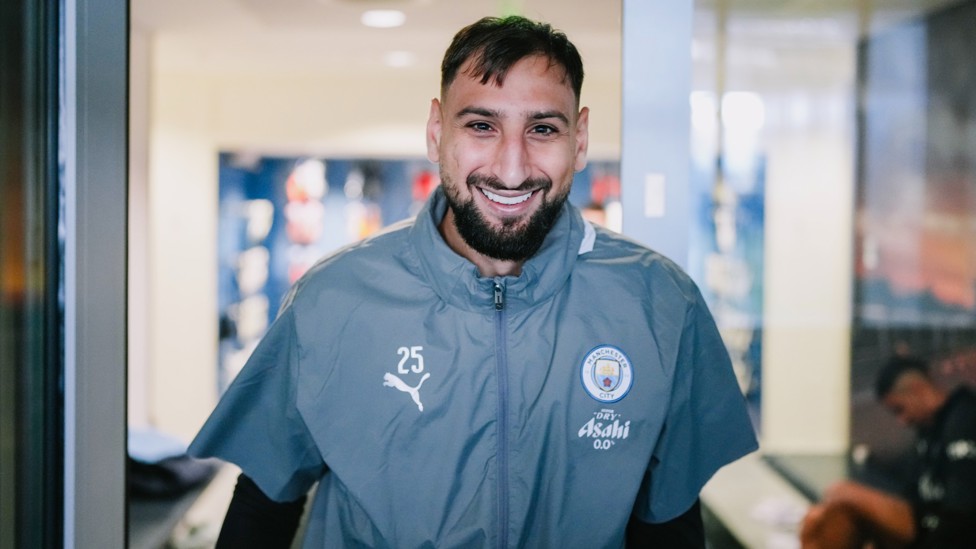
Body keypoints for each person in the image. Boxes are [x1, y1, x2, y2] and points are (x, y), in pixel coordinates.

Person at [189, 15, 757, 548]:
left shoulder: (660, 304)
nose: (511, 168)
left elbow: (669, 521)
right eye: (481, 125)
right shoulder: (333, 300)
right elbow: (263, 505)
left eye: (542, 128)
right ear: (437, 132)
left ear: (579, 140)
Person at [800, 355, 976, 549]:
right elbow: (907, 485)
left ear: (918, 389)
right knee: (837, 514)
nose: (903, 420)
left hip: (941, 533)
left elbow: (963, 512)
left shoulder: (964, 419)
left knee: (840, 491)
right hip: (926, 525)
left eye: (900, 409)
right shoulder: (928, 431)